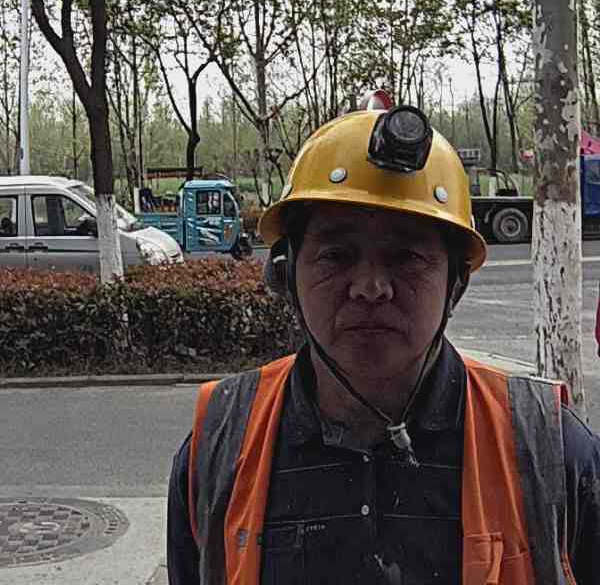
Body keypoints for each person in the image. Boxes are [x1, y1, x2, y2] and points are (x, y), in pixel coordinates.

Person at [167, 104, 600, 584]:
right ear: (287, 275)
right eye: (336, 255)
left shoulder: (550, 453)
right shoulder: (220, 447)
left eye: (406, 256)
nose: (370, 287)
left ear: (456, 283)